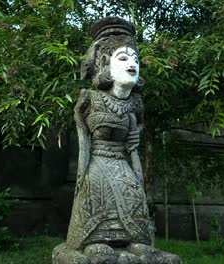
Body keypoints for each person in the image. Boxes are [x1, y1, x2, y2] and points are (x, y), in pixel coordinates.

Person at [66, 17, 151, 252]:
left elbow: (139, 125)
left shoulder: (136, 103)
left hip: (122, 162)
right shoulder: (90, 99)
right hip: (98, 161)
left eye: (135, 59)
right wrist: (82, 171)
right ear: (105, 63)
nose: (131, 63)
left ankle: (135, 240)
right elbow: (82, 128)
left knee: (132, 194)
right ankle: (95, 241)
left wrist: (136, 136)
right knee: (96, 194)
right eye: (123, 58)